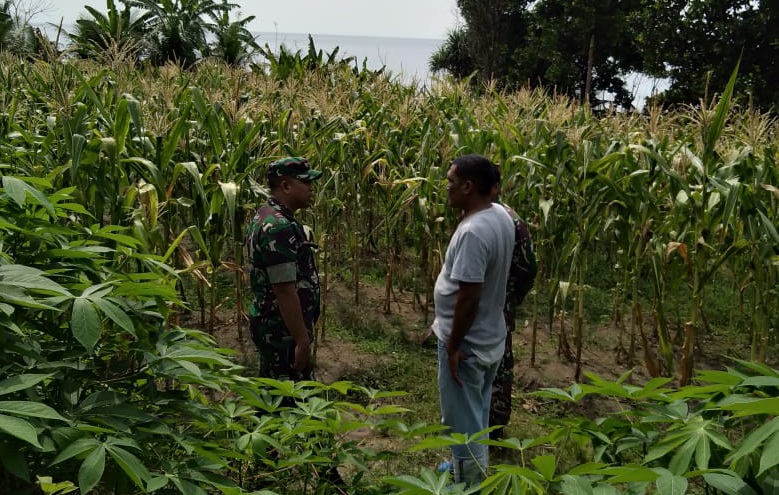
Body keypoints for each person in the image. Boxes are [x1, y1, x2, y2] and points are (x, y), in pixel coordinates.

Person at [432, 154, 515, 487]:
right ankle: (460, 466)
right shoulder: (501, 215)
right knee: (476, 411)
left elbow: (468, 297)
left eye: (451, 182)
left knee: (462, 422)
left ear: (468, 187)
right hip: (490, 336)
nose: (447, 188)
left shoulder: (474, 233)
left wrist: (452, 345)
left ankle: (468, 483)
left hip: (468, 343)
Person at [246, 156, 322, 381]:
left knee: (273, 392)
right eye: (306, 182)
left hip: (275, 327)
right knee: (287, 400)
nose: (311, 188)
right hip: (282, 332)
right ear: (286, 186)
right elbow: (284, 290)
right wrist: (301, 340)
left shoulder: (268, 214)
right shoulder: (278, 227)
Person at [489, 165, 537, 439]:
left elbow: (528, 267)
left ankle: (495, 421)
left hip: (499, 302)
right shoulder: (478, 213)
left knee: (499, 360)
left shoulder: (509, 219)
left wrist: (512, 295)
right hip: (489, 301)